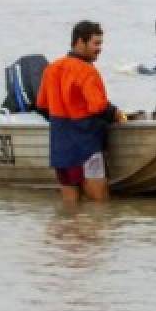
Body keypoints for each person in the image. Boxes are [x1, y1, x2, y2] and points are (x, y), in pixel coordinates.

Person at [35, 21, 127, 204]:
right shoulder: (87, 71)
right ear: (80, 42)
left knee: (70, 206)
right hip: (86, 147)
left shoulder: (51, 69)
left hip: (61, 146)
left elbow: (41, 104)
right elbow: (99, 107)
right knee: (99, 205)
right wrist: (117, 113)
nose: (99, 49)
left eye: (100, 43)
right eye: (96, 43)